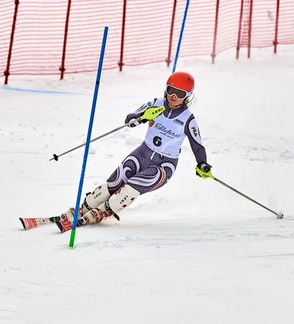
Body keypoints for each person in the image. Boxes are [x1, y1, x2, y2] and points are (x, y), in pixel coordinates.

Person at [63, 71, 212, 227]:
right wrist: (137, 119)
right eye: (171, 90)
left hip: (164, 165)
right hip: (142, 153)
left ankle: (104, 211)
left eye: (180, 93)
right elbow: (132, 117)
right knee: (115, 181)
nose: (174, 96)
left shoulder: (188, 119)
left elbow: (197, 144)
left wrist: (202, 163)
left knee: (132, 186)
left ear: (188, 96)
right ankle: (85, 207)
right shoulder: (156, 103)